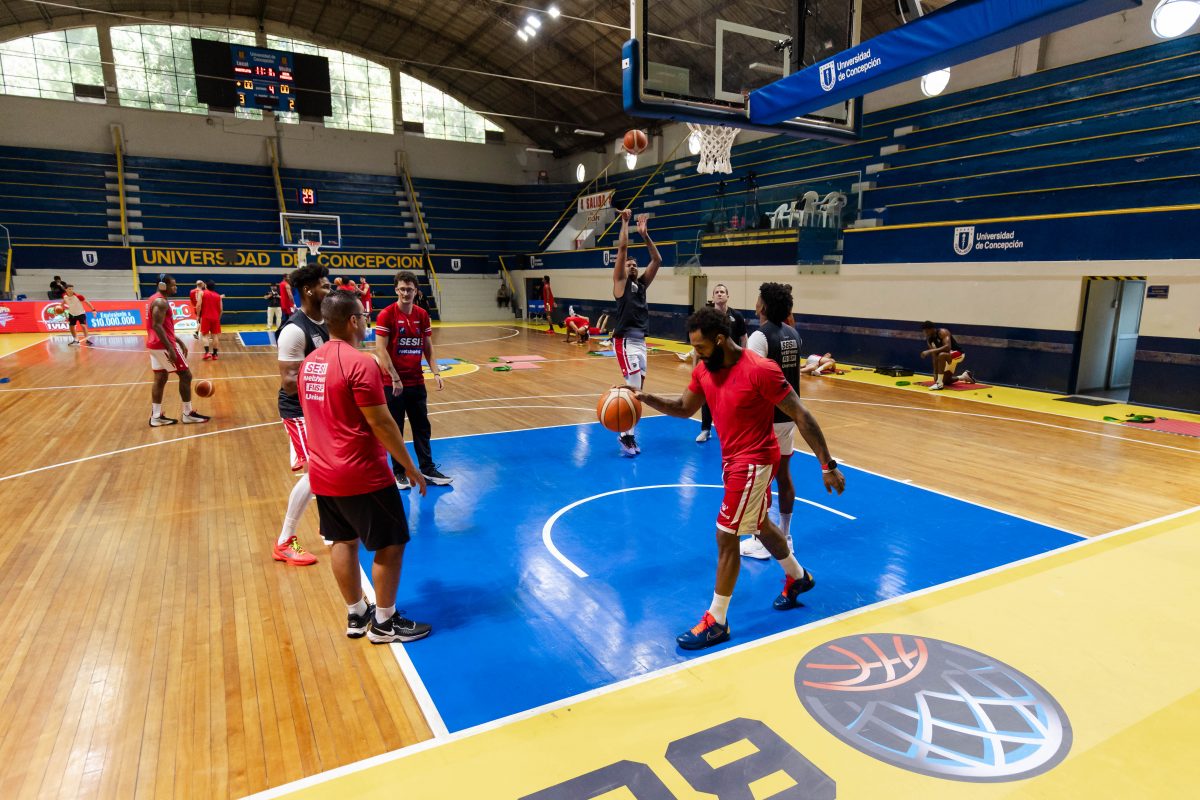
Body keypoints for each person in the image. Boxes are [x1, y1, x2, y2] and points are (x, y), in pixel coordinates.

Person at [635, 307, 844, 650]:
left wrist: (827, 464)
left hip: (755, 461)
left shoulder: (760, 369)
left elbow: (801, 414)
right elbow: (685, 408)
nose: (696, 354)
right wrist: (647, 398)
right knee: (759, 524)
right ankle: (798, 577)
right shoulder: (704, 369)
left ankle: (717, 621)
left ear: (720, 340)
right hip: (732, 461)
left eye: (701, 347)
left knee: (726, 534)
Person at [298, 290, 432, 644]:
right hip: (361, 472)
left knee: (342, 540)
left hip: (323, 472)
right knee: (392, 542)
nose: (367, 321)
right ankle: (385, 622)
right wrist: (410, 467)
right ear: (354, 320)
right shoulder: (360, 363)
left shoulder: (310, 362)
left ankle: (357, 613)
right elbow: (382, 423)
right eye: (364, 315)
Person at [272, 263, 331, 567]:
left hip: (319, 407)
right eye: (324, 285)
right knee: (316, 471)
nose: (329, 289)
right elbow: (290, 383)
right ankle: (285, 541)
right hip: (298, 410)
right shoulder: (295, 330)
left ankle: (329, 527)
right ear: (308, 290)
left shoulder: (325, 322)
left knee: (326, 468)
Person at [740, 282, 802, 560]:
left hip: (767, 419)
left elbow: (751, 380)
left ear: (763, 306)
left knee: (760, 482)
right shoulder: (793, 334)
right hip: (789, 415)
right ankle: (785, 536)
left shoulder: (759, 337)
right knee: (783, 476)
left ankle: (761, 541)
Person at [375, 271, 453, 489]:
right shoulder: (386, 315)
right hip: (393, 385)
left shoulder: (422, 315)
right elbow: (380, 349)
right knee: (395, 429)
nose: (405, 293)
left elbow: (428, 346)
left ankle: (427, 469)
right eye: (402, 289)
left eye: (409, 289)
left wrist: (436, 372)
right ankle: (399, 472)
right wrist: (395, 377)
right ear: (396, 290)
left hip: (416, 382)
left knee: (422, 427)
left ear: (416, 291)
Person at [611, 208, 662, 456]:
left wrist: (645, 235)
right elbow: (622, 249)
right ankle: (625, 436)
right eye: (629, 264)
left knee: (636, 390)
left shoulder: (641, 285)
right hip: (624, 341)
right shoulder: (620, 284)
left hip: (641, 343)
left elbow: (657, 260)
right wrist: (625, 222)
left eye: (635, 264)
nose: (632, 266)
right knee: (632, 387)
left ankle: (627, 431)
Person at [145, 274, 209, 427]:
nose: (176, 287)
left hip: (155, 345)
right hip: (163, 346)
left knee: (160, 378)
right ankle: (188, 413)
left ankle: (156, 416)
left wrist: (179, 341)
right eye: (173, 285)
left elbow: (162, 326)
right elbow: (157, 326)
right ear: (163, 286)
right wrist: (170, 347)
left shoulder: (154, 299)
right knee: (186, 375)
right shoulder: (160, 302)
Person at [696, 283, 748, 443]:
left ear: (727, 296)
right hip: (711, 362)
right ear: (712, 297)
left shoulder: (736, 316)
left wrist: (744, 358)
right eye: (717, 292)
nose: (719, 294)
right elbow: (698, 341)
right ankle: (706, 429)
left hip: (732, 364)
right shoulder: (705, 317)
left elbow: (744, 338)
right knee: (707, 396)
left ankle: (734, 429)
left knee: (733, 397)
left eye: (722, 292)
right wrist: (696, 366)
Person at [920, 320, 974, 390]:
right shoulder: (929, 340)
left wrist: (930, 351)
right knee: (945, 381)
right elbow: (934, 357)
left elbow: (947, 347)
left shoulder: (943, 332)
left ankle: (939, 384)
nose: (925, 333)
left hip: (958, 354)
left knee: (941, 355)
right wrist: (935, 373)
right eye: (924, 332)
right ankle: (964, 377)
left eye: (926, 331)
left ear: (932, 329)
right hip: (946, 357)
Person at [197, 280, 223, 360]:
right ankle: (215, 355)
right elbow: (221, 309)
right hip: (215, 318)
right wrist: (218, 318)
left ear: (206, 285)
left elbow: (198, 305)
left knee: (204, 335)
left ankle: (207, 353)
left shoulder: (202, 293)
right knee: (215, 336)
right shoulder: (218, 296)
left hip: (206, 317)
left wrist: (198, 316)